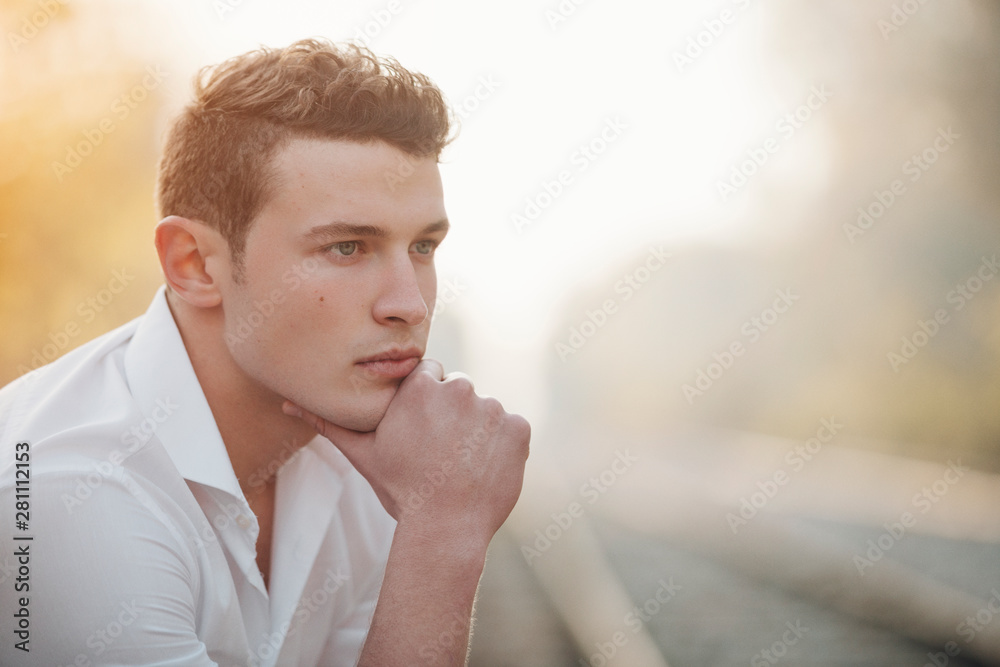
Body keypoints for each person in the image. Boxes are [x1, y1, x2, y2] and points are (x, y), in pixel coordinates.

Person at [0, 38, 530, 666]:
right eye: (347, 248)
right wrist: (443, 529)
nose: (409, 305)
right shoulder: (65, 495)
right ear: (195, 264)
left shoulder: (380, 455)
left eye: (422, 247)